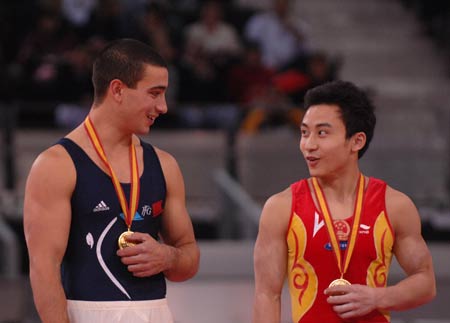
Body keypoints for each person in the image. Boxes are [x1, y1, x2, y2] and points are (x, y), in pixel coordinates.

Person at [23, 38, 200, 323]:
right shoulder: (56, 165)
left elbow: (189, 258)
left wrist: (167, 257)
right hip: (85, 313)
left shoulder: (165, 165)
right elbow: (43, 270)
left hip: (155, 313)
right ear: (117, 89)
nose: (164, 106)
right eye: (154, 93)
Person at [252, 80, 436, 322]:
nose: (309, 145)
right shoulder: (281, 208)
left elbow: (425, 282)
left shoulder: (394, 206)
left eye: (322, 133)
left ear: (356, 141)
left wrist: (377, 298)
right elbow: (267, 294)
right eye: (305, 132)